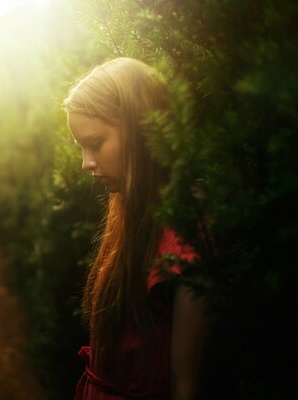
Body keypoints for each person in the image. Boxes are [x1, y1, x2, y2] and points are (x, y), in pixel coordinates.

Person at [62, 57, 209, 400]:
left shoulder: (185, 240)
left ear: (139, 129)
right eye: (81, 148)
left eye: (95, 143)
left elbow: (185, 385)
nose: (86, 163)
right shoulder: (132, 217)